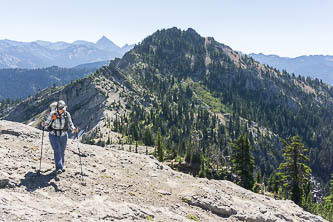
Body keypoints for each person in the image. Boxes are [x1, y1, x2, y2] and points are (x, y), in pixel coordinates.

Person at [43, 100, 78, 174]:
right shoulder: (53, 114)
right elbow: (48, 123)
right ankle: (58, 168)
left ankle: (61, 166)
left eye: (63, 108)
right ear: (57, 108)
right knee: (57, 150)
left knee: (62, 151)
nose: (62, 109)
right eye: (60, 108)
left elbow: (70, 123)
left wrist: (74, 129)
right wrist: (44, 125)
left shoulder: (67, 114)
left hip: (63, 135)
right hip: (53, 135)